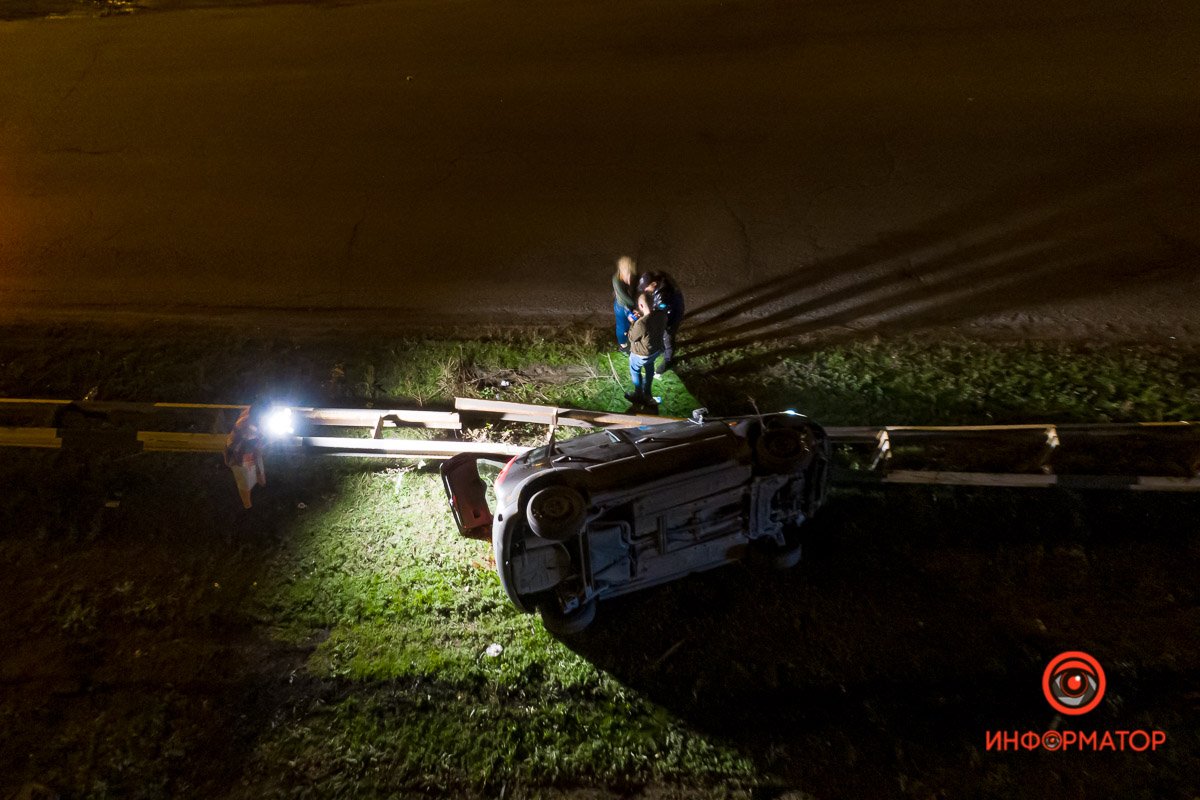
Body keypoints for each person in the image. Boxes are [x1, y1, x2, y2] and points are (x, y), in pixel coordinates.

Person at [625, 292, 667, 408]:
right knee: (649, 367)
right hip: (655, 350)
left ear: (641, 306)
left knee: (635, 370)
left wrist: (632, 322)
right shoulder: (662, 315)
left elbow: (632, 337)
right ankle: (647, 392)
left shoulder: (641, 323)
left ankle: (638, 393)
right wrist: (642, 316)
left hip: (641, 354)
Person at [637, 271, 685, 373]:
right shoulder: (660, 277)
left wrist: (648, 318)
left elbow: (660, 316)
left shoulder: (662, 297)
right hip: (674, 304)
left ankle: (668, 360)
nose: (645, 290)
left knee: (668, 337)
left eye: (646, 288)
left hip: (672, 316)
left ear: (654, 284)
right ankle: (663, 348)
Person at [224, 402, 268, 509]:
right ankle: (247, 506)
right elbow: (259, 442)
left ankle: (261, 487)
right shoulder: (247, 426)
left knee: (259, 474)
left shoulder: (251, 413)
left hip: (251, 451)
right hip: (240, 456)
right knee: (245, 482)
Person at [611, 256, 639, 352]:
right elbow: (623, 296)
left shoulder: (629, 275)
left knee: (630, 323)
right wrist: (635, 306)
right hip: (621, 306)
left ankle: (631, 338)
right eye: (627, 274)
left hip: (628, 304)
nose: (629, 277)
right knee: (622, 327)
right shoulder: (616, 280)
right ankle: (623, 345)